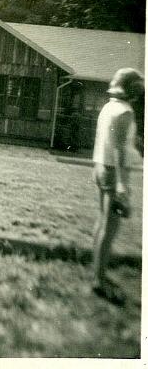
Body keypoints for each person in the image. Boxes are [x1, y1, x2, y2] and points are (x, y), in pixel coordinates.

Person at [92, 68, 144, 304]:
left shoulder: (109, 107)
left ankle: (97, 271)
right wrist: (123, 185)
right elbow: (120, 151)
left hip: (101, 167)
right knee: (109, 228)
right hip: (114, 173)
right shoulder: (124, 112)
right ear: (132, 90)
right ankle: (99, 279)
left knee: (102, 223)